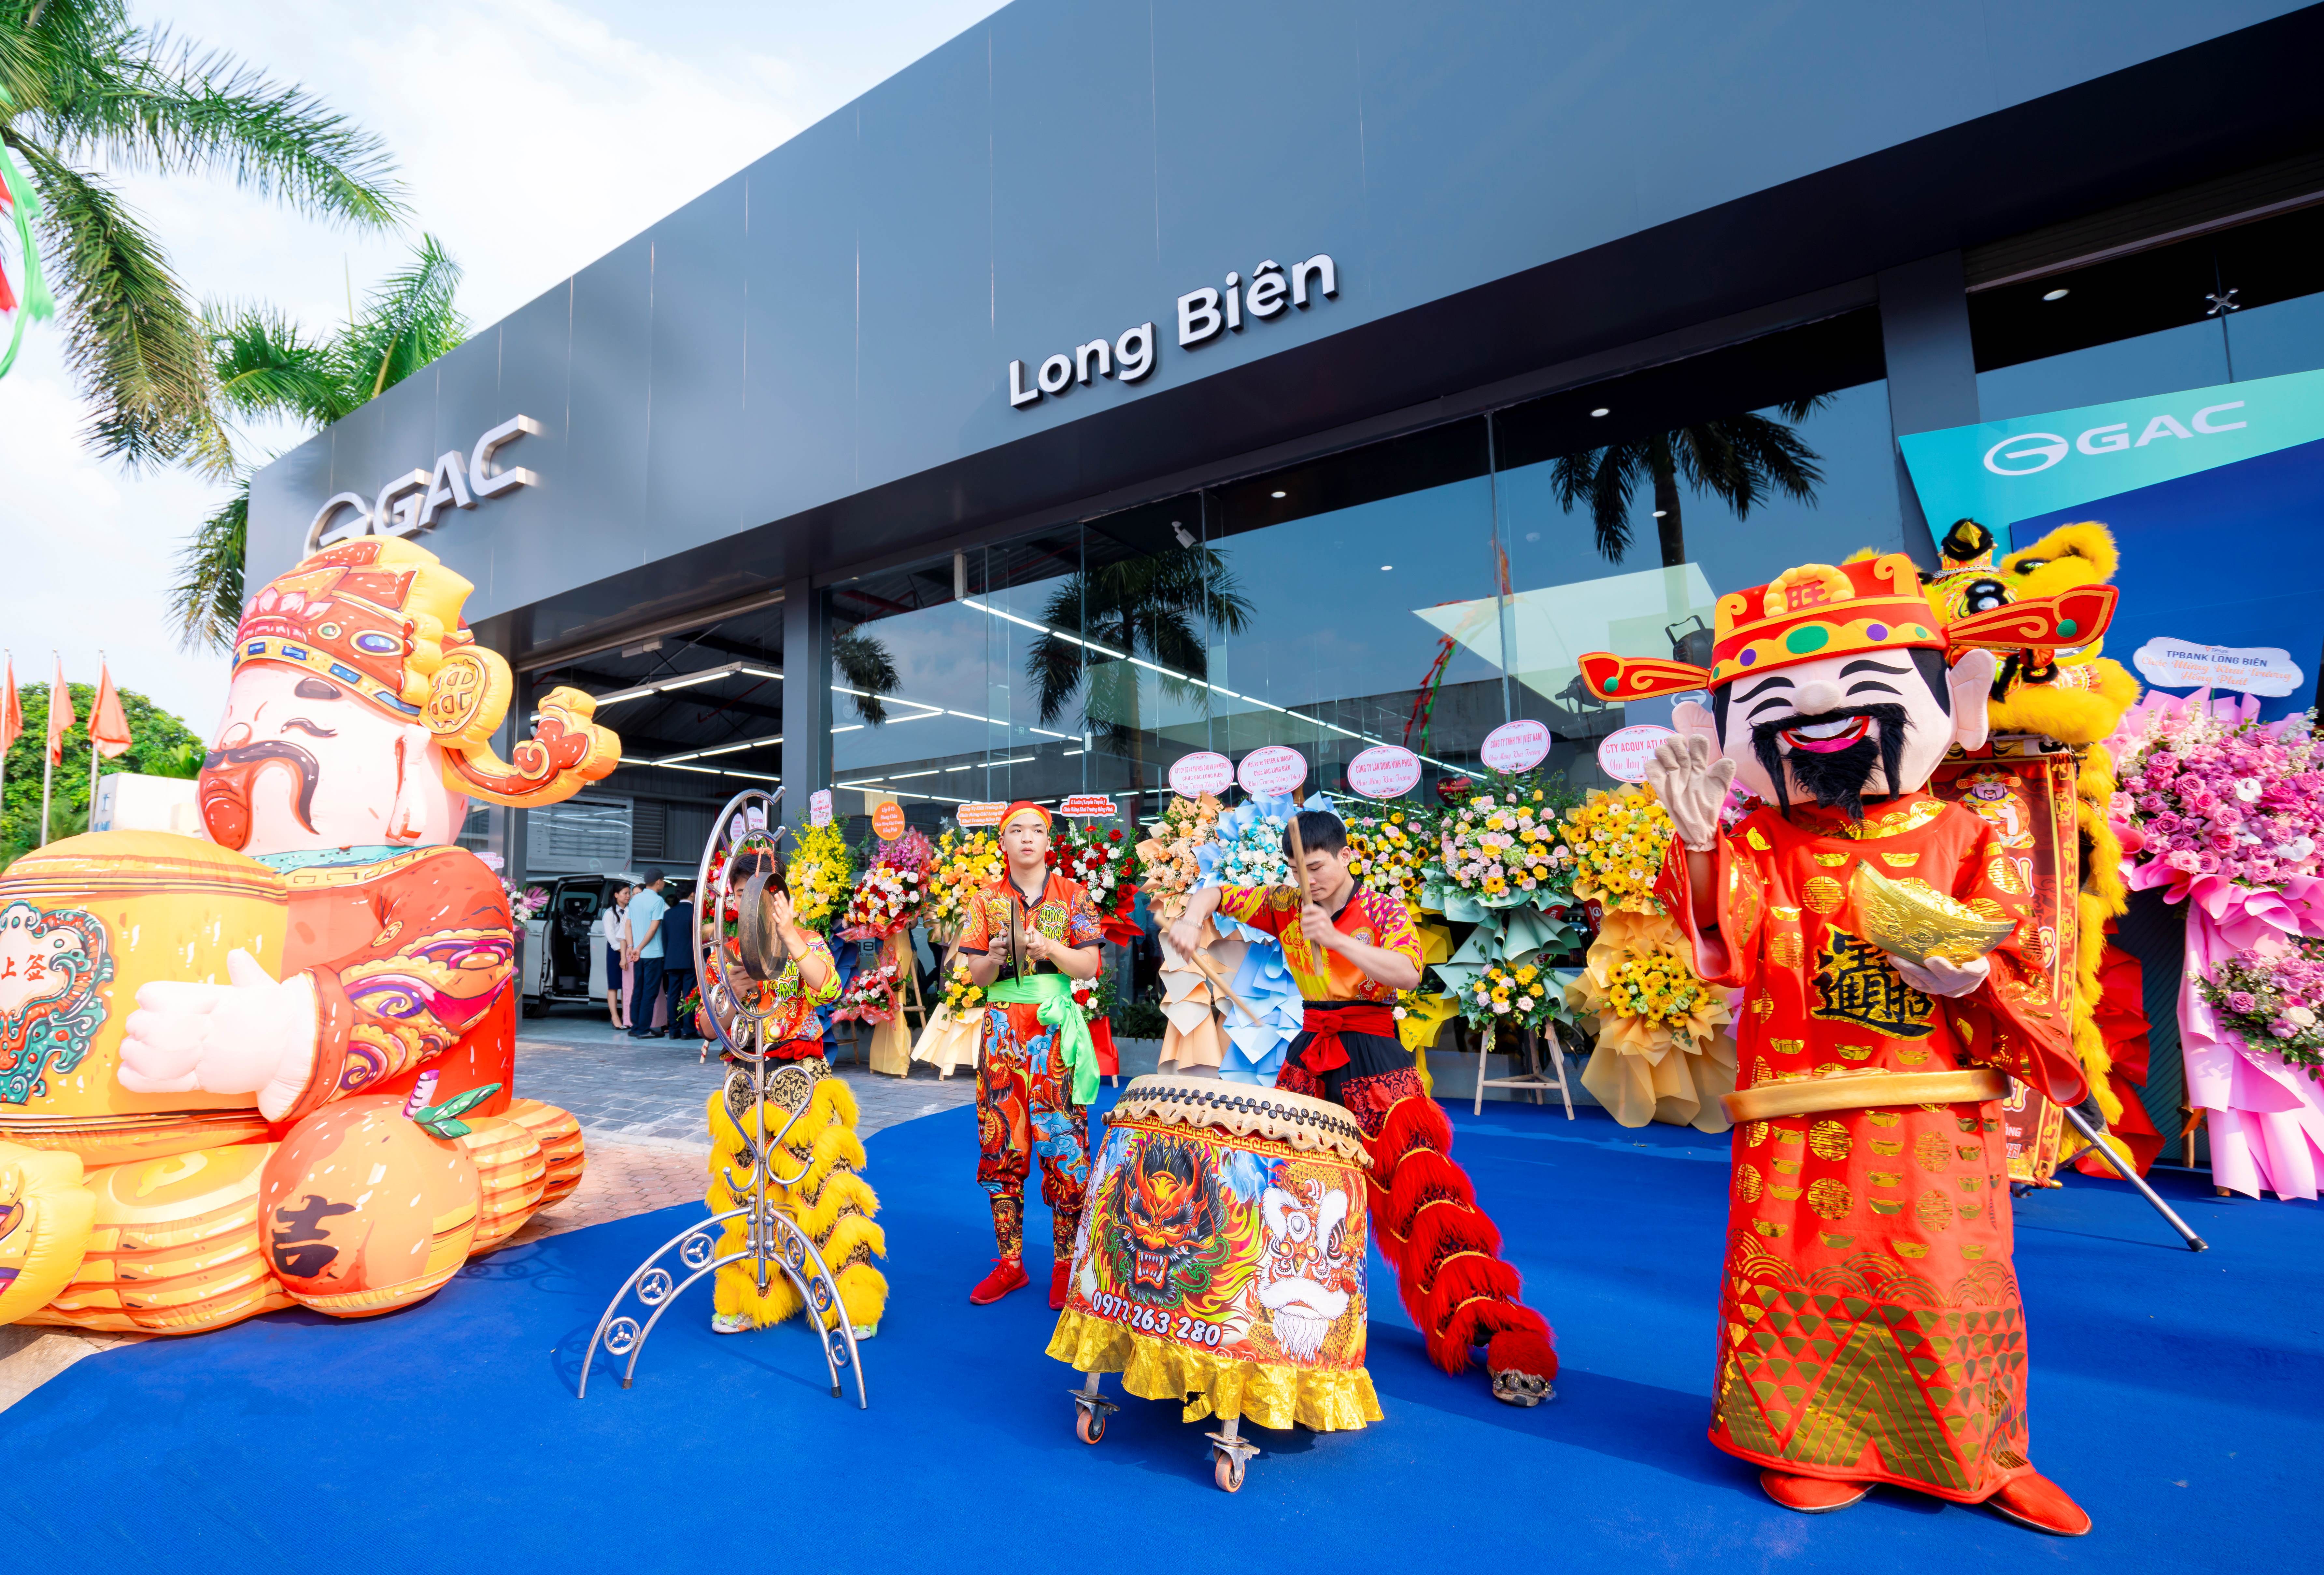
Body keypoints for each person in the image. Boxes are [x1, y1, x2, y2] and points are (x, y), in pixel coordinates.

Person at [1595, 553, 2091, 1534]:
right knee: (1801, 1272)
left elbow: (2021, 950)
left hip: (1930, 1107)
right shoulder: (1759, 842)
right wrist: (1697, 842)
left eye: (1862, 684)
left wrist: (1969, 973)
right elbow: (1721, 942)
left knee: (1952, 1275)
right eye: (1776, 701)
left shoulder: (1963, 831)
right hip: (1796, 1110)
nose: (1819, 714)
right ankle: (1807, 1443)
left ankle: (1980, 1448)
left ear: (1950, 700)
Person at [1170, 810, 1559, 1407]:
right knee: (1287, 1191)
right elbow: (1218, 891)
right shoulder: (1284, 903)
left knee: (1423, 1199)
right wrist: (1191, 917)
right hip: (1309, 1056)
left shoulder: (1382, 910)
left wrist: (1337, 940)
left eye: (1317, 868)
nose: (1308, 881)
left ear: (1345, 857)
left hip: (1374, 1059)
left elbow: (1407, 973)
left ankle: (1490, 1322)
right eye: (1298, 871)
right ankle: (1276, 1322)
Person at [702, 860, 886, 1339]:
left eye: (758, 892)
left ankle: (849, 1299)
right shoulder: (724, 955)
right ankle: (755, 1296)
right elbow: (706, 1026)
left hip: (800, 1083)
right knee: (750, 1193)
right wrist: (728, 995)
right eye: (738, 893)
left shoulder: (806, 940)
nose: (747, 901)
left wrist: (788, 936)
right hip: (745, 1084)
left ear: (779, 895)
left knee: (822, 1191)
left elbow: (828, 988)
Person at [955, 802, 1103, 1309]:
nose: (1026, 838)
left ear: (1048, 840)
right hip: (1001, 1035)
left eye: (1036, 830)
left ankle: (1065, 1264)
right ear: (1002, 841)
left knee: (1064, 1146)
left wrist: (1051, 950)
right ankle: (1011, 1264)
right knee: (1001, 1145)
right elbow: (977, 977)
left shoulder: (1074, 895)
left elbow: (1090, 966)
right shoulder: (985, 900)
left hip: (1054, 1032)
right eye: (1015, 830)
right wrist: (995, 958)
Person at [627, 870, 670, 1039]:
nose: (664, 883)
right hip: (653, 954)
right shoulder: (658, 901)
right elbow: (653, 929)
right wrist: (640, 948)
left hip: (638, 955)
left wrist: (633, 947)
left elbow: (629, 925)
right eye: (664, 880)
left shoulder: (635, 899)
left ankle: (636, 1026)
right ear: (659, 881)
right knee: (650, 992)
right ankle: (643, 1030)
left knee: (638, 990)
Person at [662, 887, 699, 1040]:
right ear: (692, 894)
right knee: (689, 995)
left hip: (672, 960)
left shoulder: (668, 914)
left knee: (673, 995)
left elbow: (665, 939)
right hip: (690, 960)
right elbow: (699, 938)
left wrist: (667, 958)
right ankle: (688, 1030)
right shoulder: (695, 912)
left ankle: (674, 1030)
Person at [600, 883, 633, 1028]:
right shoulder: (609, 913)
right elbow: (611, 937)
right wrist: (623, 951)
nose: (628, 896)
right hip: (616, 951)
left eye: (629, 893)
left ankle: (626, 1016)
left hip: (629, 950)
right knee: (614, 985)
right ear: (616, 895)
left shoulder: (631, 910)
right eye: (625, 893)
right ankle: (615, 1017)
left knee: (627, 985)